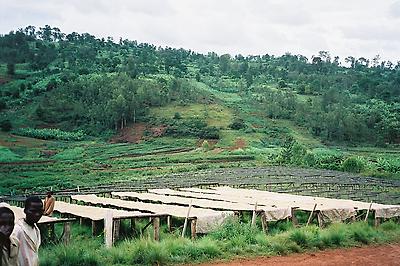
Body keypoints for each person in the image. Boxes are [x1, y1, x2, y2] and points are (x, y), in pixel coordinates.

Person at [12, 196, 43, 266]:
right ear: (25, 211)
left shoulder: (36, 229)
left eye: (40, 211)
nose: (37, 214)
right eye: (33, 211)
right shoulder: (18, 230)